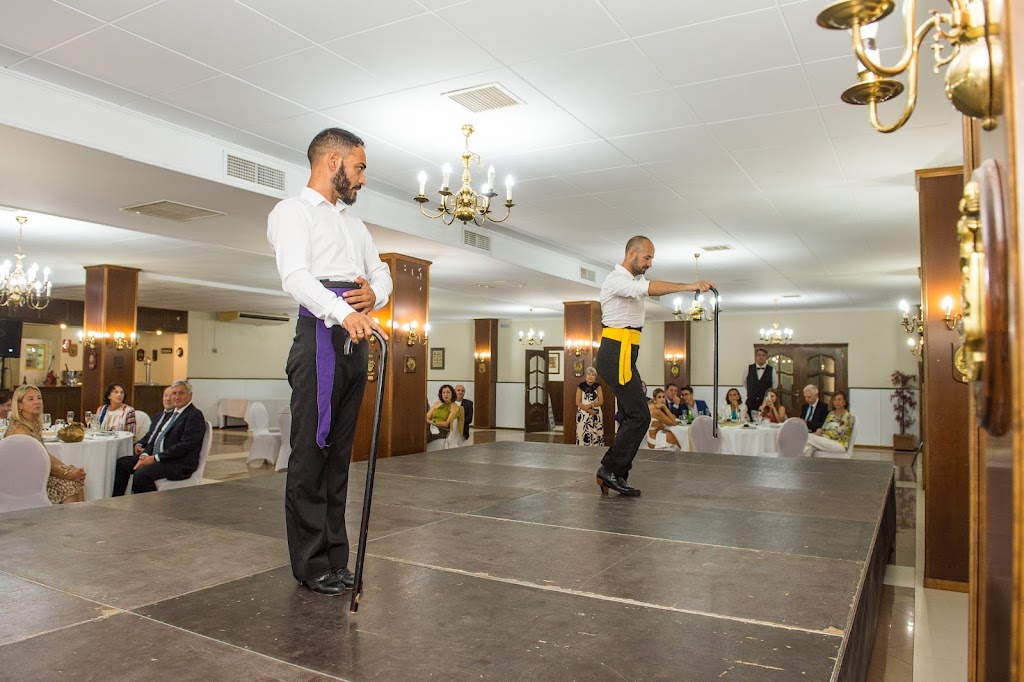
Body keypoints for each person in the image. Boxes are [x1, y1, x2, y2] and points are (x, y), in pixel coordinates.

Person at [268, 127, 392, 597]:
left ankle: (336, 558)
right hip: (319, 336)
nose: (362, 178)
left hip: (353, 338)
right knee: (311, 454)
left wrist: (374, 295)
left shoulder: (354, 225)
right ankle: (310, 564)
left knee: (339, 456)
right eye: (359, 167)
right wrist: (343, 312)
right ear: (333, 161)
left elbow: (380, 272)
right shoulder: (292, 212)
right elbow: (295, 277)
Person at [595, 235, 712, 496]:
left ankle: (615, 473)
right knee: (640, 415)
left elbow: (643, 288)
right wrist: (689, 285)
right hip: (616, 352)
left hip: (625, 352)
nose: (649, 263)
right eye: (647, 257)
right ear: (631, 254)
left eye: (651, 259)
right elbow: (647, 288)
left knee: (632, 414)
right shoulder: (616, 280)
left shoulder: (631, 282)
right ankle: (610, 470)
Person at [111, 380, 205, 496]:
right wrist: (145, 455)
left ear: (190, 395)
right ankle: (116, 501)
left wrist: (155, 458)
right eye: (174, 393)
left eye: (181, 393)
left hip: (178, 463)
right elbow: (156, 438)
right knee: (122, 463)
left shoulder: (194, 415)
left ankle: (150, 505)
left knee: (141, 474)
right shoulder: (171, 414)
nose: (176, 397)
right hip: (161, 458)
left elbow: (185, 446)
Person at [5, 384, 85, 504]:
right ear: (20, 405)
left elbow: (45, 455)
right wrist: (67, 474)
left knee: (76, 478)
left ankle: (78, 516)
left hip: (37, 473)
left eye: (39, 398)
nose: (37, 402)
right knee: (70, 485)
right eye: (31, 399)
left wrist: (68, 469)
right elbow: (38, 462)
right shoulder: (20, 431)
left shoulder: (32, 425)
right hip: (23, 481)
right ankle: (67, 517)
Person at [804, 391, 855, 456]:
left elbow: (837, 434)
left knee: (807, 437)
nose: (837, 402)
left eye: (839, 400)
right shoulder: (831, 414)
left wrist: (823, 433)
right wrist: (820, 430)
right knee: (808, 446)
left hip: (839, 444)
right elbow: (824, 427)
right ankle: (806, 462)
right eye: (835, 400)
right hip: (826, 440)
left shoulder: (847, 416)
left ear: (844, 402)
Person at [135, 386, 174, 455]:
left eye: (171, 396)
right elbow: (149, 435)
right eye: (166, 396)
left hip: (154, 453)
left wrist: (146, 451)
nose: (168, 399)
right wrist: (139, 444)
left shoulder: (174, 418)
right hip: (144, 449)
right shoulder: (158, 415)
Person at [575, 367, 604, 446]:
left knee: (596, 432)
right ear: (586, 376)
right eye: (589, 374)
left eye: (593, 375)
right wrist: (588, 410)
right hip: (583, 413)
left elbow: (601, 401)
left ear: (595, 377)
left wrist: (591, 405)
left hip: (595, 412)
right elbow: (577, 402)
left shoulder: (598, 387)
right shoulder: (580, 387)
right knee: (583, 432)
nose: (590, 376)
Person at [744, 347, 775, 418]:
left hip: (765, 403)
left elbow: (774, 386)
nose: (761, 357)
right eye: (759, 355)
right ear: (756, 356)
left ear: (766, 357)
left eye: (763, 355)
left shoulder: (772, 370)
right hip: (751, 402)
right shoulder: (748, 368)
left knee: (765, 421)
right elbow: (744, 383)